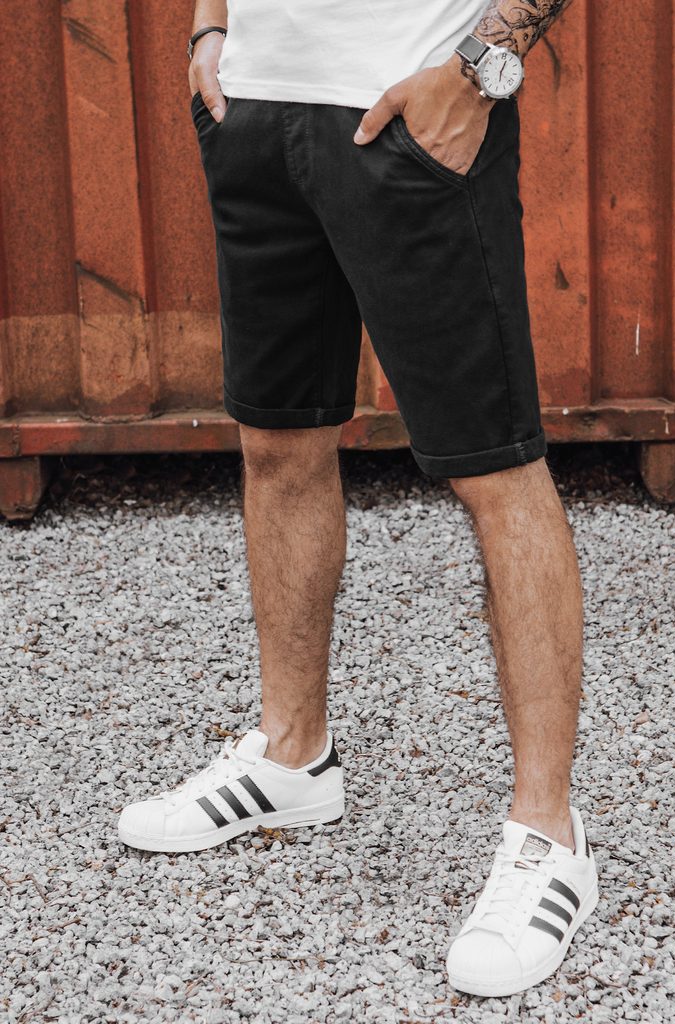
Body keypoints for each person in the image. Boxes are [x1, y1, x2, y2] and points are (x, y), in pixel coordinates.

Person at [119, 0, 598, 997]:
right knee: (276, 441)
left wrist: (479, 68)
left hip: (410, 107)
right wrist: (210, 31)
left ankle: (548, 837)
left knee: (495, 467)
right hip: (255, 111)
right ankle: (292, 758)